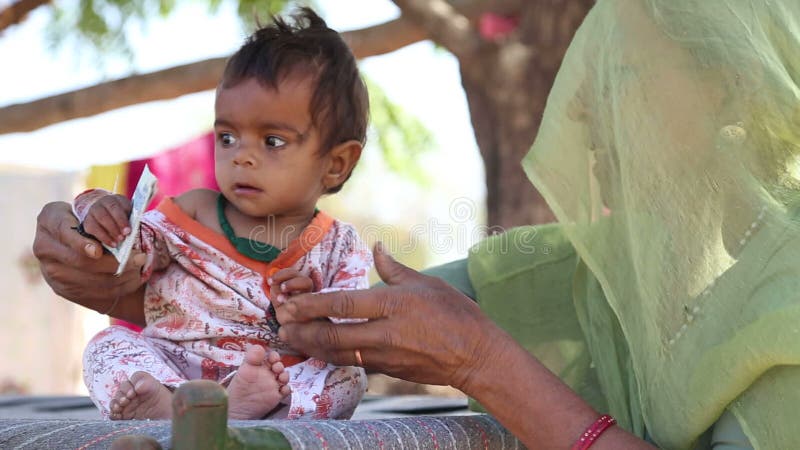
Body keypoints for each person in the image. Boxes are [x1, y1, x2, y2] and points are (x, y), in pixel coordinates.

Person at [33, 0, 800, 448]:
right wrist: (118, 285)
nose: (582, 109)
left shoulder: (786, 301)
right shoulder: (584, 271)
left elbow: (446, 345)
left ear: (737, 93)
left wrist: (482, 364)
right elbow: (314, 322)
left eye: (620, 79)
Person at [67, 8, 372, 421]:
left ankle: (260, 418)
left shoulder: (338, 245)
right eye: (227, 137)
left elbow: (353, 326)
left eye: (272, 141)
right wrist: (101, 211)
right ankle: (178, 408)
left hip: (274, 380)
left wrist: (311, 308)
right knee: (105, 347)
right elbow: (130, 250)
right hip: (176, 366)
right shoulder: (190, 210)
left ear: (336, 163)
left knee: (347, 375)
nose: (241, 157)